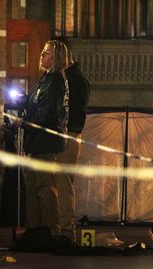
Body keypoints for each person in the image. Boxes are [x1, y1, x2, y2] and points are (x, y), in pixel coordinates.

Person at [22, 39, 69, 236]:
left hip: (45, 143)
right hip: (35, 143)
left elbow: (48, 114)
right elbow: (35, 102)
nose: (42, 55)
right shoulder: (45, 78)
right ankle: (34, 228)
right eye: (42, 51)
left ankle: (52, 230)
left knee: (45, 187)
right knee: (32, 189)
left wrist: (23, 123)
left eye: (47, 53)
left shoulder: (56, 80)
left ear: (56, 57)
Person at [54, 37, 90, 238]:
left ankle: (66, 229)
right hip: (60, 136)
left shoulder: (75, 80)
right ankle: (57, 226)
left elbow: (76, 111)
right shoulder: (59, 78)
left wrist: (68, 132)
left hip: (68, 136)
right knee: (55, 184)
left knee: (63, 183)